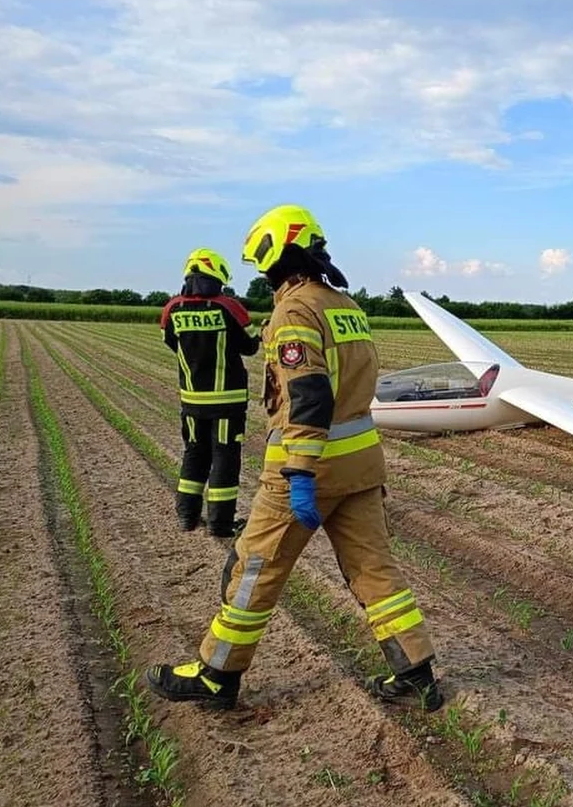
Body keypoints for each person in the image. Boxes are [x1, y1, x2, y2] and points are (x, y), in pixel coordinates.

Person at [147, 205, 442, 711]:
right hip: (361, 467)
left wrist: (301, 471)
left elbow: (309, 397)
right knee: (374, 571)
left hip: (308, 470)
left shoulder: (295, 311)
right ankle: (415, 671)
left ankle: (218, 673)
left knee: (253, 570)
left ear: (276, 253)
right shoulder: (345, 305)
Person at [160, 248, 261, 537]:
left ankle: (187, 516)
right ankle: (220, 523)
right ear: (216, 276)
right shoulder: (228, 307)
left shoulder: (172, 309)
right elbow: (248, 347)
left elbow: (171, 343)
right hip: (227, 402)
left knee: (194, 454)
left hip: (192, 400)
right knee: (225, 458)